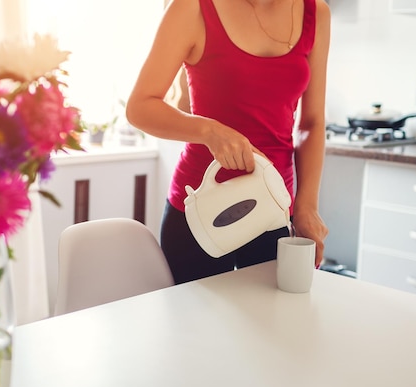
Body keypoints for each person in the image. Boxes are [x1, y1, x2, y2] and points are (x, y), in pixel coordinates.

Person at [126, 0, 330, 284]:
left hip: (276, 210)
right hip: (201, 212)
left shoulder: (315, 13)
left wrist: (307, 207)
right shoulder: (192, 8)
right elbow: (140, 107)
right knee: (196, 327)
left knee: (272, 325)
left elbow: (312, 123)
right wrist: (208, 131)